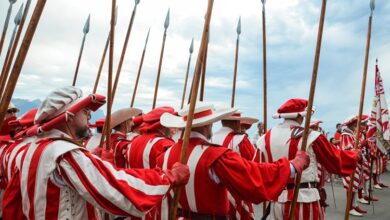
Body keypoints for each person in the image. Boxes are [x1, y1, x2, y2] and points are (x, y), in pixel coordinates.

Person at [2, 86, 190, 219]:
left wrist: (95, 162)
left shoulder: (33, 147)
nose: (90, 115)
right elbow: (115, 189)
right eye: (84, 111)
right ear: (69, 117)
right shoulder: (63, 152)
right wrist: (168, 177)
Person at [158, 102, 310, 219]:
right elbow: (253, 175)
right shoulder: (215, 155)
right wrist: (292, 166)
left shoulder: (165, 154)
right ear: (208, 125)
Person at [258, 98, 360, 219]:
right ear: (301, 117)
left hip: (277, 201)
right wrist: (354, 155)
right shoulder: (312, 136)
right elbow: (335, 160)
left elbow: (258, 169)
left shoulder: (265, 138)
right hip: (304, 200)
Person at [212, 113, 259, 219]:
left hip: (214, 193)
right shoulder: (241, 140)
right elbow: (253, 166)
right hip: (236, 193)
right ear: (236, 123)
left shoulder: (210, 139)